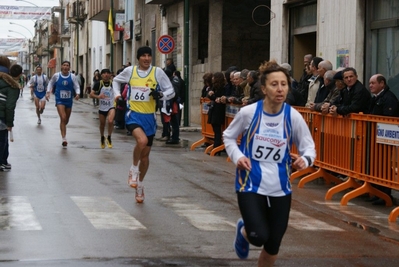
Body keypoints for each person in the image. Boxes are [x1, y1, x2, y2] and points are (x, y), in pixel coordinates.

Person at [223, 60, 316, 266]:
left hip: (280, 187)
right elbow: (228, 137)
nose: (280, 89)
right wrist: (238, 157)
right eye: (274, 84)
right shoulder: (249, 113)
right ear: (264, 88)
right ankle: (244, 231)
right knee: (258, 236)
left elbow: (309, 148)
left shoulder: (293, 116)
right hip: (250, 182)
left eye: (284, 84)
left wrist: (305, 160)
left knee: (273, 243)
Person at [112, 46, 175, 203]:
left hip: (149, 118)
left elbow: (171, 91)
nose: (146, 58)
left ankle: (140, 185)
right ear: (138, 58)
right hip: (133, 114)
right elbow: (115, 80)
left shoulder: (157, 72)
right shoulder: (130, 71)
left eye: (149, 56)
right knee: (142, 141)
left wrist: (161, 94)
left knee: (145, 157)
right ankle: (133, 169)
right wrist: (118, 95)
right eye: (143, 56)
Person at [367, 74, 399, 205]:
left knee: (384, 165)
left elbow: (389, 117)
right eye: (369, 83)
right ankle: (377, 191)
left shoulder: (388, 98)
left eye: (373, 83)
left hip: (385, 137)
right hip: (376, 136)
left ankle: (385, 193)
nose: (370, 86)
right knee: (377, 165)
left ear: (382, 84)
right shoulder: (376, 98)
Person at [46, 60, 80, 147]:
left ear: (69, 67)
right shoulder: (56, 75)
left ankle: (62, 127)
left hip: (69, 100)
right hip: (59, 100)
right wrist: (48, 92)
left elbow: (76, 86)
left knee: (66, 120)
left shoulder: (72, 76)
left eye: (67, 65)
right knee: (63, 117)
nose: (65, 67)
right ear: (61, 66)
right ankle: (64, 138)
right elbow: (50, 83)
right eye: (64, 65)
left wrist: (77, 93)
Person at [0, 58, 21, 171]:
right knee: (2, 139)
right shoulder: (11, 85)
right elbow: (9, 107)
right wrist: (9, 123)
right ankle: (1, 162)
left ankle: (3, 161)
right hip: (1, 115)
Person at [90, 68, 115, 149]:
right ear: (102, 75)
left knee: (110, 121)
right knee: (102, 124)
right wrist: (98, 96)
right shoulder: (98, 84)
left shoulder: (113, 84)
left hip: (111, 106)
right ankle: (102, 137)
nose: (106, 75)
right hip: (102, 107)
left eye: (108, 73)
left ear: (110, 75)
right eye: (104, 73)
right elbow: (91, 94)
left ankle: (109, 137)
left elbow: (118, 93)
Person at [207, 72, 226, 153]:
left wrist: (213, 96)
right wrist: (210, 94)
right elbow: (211, 96)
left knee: (217, 130)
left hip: (218, 110)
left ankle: (216, 147)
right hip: (214, 109)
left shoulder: (223, 87)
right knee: (215, 129)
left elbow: (217, 98)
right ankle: (215, 146)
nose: (212, 79)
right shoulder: (214, 87)